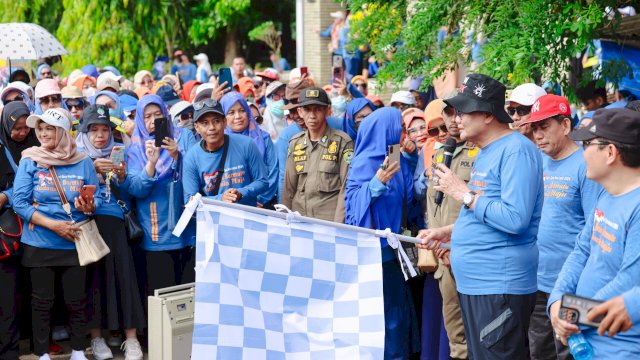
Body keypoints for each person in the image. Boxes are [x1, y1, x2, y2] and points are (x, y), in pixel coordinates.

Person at [418, 74, 543, 360]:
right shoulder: (488, 151)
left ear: (487, 114)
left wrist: (463, 193)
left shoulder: (516, 151)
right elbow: (485, 212)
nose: (456, 119)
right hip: (479, 284)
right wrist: (449, 231)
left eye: (463, 111)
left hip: (499, 285)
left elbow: (515, 219)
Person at [549, 108, 640, 357]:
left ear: (610, 152)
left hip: (620, 348)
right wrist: (556, 300)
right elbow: (581, 250)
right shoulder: (606, 195)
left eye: (587, 144)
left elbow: (629, 280)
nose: (581, 151)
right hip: (588, 338)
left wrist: (571, 314)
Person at [518, 94, 603, 359]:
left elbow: (593, 231)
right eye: (535, 128)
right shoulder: (536, 161)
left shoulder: (586, 166)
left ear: (565, 126)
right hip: (536, 281)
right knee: (539, 352)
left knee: (570, 352)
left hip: (571, 285)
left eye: (545, 127)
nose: (538, 135)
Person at [13, 108, 101, 360]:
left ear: (62, 131)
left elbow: (94, 202)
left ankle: (77, 350)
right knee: (42, 302)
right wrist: (54, 226)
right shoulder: (29, 159)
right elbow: (20, 202)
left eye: (49, 128)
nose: (42, 133)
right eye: (39, 128)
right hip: (40, 241)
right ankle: (41, 353)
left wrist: (89, 206)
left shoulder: (83, 161)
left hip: (74, 240)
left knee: (77, 299)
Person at [345, 107, 420, 359]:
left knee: (398, 315)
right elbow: (352, 207)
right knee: (379, 316)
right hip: (372, 253)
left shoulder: (395, 155)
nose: (404, 132)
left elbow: (409, 199)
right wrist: (376, 184)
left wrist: (410, 160)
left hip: (395, 252)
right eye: (399, 127)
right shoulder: (363, 161)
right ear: (384, 130)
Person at [75, 105, 145, 360]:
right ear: (85, 132)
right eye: (94, 130)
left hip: (116, 225)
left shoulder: (122, 153)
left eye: (105, 130)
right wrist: (92, 169)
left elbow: (134, 193)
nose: (100, 136)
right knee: (93, 282)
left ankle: (132, 339)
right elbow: (73, 191)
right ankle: (96, 338)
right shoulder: (77, 156)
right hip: (89, 225)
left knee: (125, 280)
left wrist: (123, 176)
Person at [416, 97, 474, 360]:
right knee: (455, 334)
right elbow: (433, 204)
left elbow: (476, 204)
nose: (452, 119)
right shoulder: (441, 152)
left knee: (479, 329)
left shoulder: (481, 153)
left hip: (468, 253)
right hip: (443, 255)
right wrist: (438, 242)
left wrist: (454, 243)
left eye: (457, 113)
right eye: (447, 113)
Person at [126, 95, 197, 295]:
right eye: (147, 116)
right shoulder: (135, 148)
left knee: (189, 292)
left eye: (158, 115)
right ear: (139, 119)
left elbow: (198, 175)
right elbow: (136, 190)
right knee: (162, 293)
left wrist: (178, 155)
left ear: (166, 114)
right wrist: (151, 163)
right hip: (155, 229)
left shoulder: (183, 137)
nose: (153, 121)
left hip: (187, 225)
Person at [0, 101, 38, 359]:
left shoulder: (38, 147)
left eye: (26, 127)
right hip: (8, 233)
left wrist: (6, 195)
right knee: (6, 295)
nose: (22, 133)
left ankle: (18, 347)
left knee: (25, 294)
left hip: (32, 230)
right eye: (16, 128)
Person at [281, 87, 353, 222]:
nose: (312, 116)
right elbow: (288, 189)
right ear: (300, 112)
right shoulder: (295, 143)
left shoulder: (342, 142)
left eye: (318, 109)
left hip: (327, 221)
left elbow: (346, 189)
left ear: (328, 110)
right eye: (307, 109)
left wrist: (338, 226)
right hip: (299, 218)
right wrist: (283, 220)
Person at [183, 99, 269, 206]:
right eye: (205, 123)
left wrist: (241, 193)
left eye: (216, 121)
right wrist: (220, 199)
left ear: (224, 122)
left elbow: (262, 181)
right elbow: (189, 200)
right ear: (197, 128)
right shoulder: (191, 158)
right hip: (212, 219)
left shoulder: (246, 144)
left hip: (246, 216)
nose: (212, 128)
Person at [221, 92, 278, 208]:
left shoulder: (264, 138)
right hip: (229, 205)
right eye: (231, 112)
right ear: (224, 117)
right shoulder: (219, 141)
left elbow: (273, 171)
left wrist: (260, 200)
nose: (238, 116)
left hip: (262, 205)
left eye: (242, 110)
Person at [274, 78, 310, 201]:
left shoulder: (335, 127)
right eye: (292, 111)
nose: (296, 115)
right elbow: (284, 176)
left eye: (300, 109)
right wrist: (282, 209)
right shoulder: (286, 136)